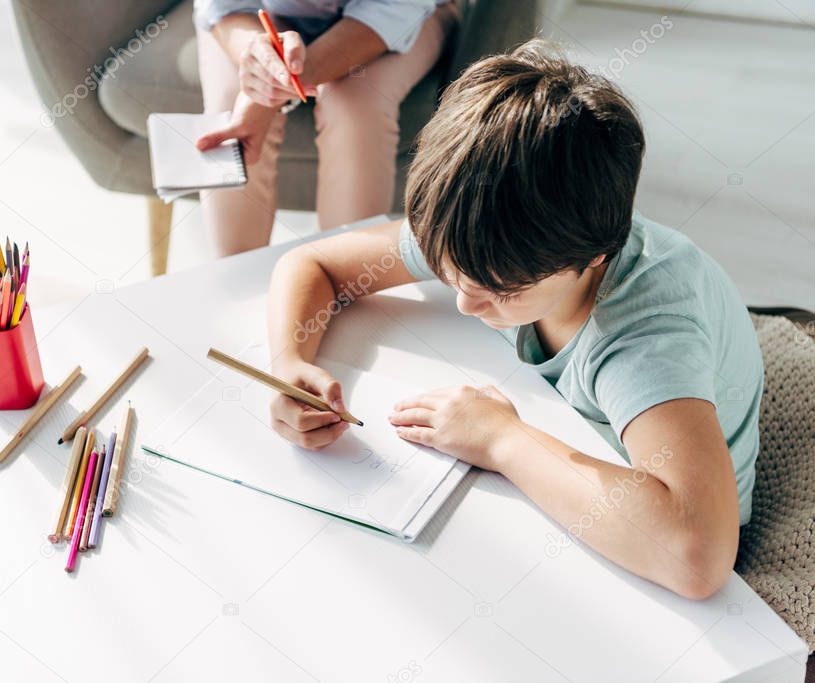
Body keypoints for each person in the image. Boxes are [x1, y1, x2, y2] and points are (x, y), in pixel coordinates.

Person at [264, 39, 763, 600]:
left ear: (592, 258)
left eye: (497, 293)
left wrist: (500, 439)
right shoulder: (484, 231)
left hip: (649, 532)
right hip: (575, 473)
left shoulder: (644, 338)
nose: (465, 304)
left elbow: (697, 555)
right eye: (452, 276)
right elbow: (315, 262)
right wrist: (290, 362)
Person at [192, 0, 457, 256]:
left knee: (355, 111)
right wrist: (261, 66)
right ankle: (236, 278)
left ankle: (346, 281)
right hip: (256, 15)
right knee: (229, 115)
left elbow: (393, 7)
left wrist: (268, 94)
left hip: (402, 14)